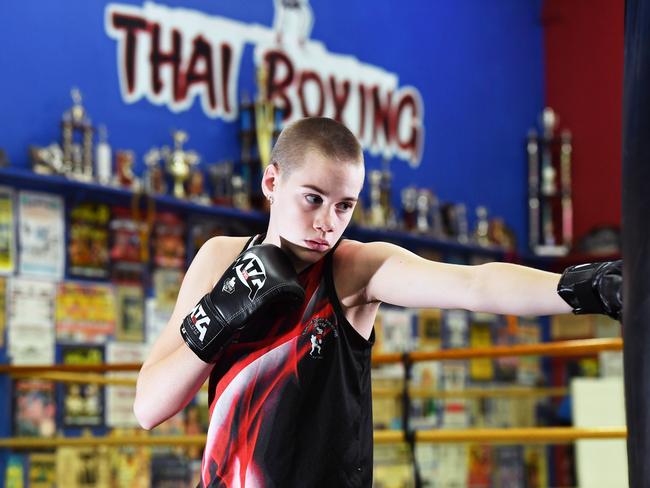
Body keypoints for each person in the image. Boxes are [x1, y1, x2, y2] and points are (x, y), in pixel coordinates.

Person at [133, 117, 622, 487]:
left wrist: (587, 287)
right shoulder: (220, 257)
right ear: (271, 182)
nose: (328, 221)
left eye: (344, 205)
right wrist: (218, 318)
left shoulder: (355, 270)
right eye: (312, 198)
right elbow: (149, 408)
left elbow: (474, 286)